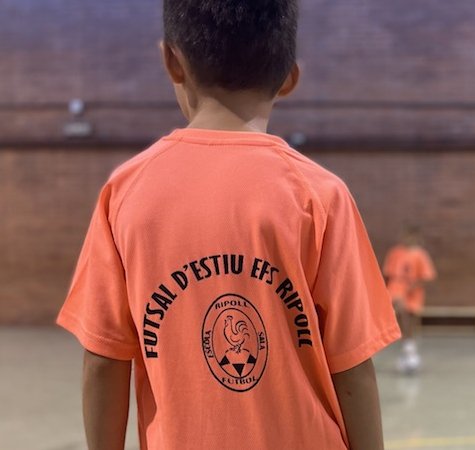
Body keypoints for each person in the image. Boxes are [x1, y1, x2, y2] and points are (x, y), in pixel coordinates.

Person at [56, 1, 400, 449]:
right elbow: (352, 365)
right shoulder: (320, 194)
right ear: (289, 78)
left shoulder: (126, 192)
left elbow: (103, 361)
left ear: (171, 61)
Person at [383, 226, 437, 373]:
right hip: (395, 289)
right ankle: (407, 345)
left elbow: (426, 277)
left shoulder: (420, 254)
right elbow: (388, 274)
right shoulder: (395, 252)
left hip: (413, 292)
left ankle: (408, 345)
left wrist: (410, 287)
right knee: (399, 309)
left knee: (409, 317)